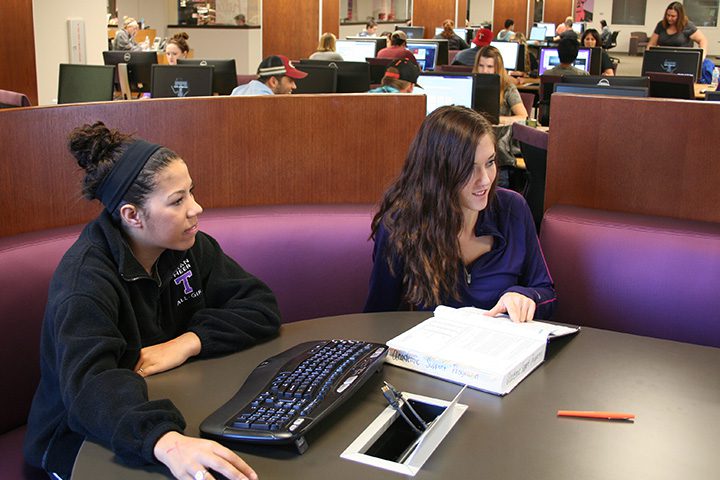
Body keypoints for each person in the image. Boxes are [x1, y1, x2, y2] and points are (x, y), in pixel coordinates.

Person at [23, 121, 282, 480]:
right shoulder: (84, 281)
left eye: (191, 192)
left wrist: (188, 343)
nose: (197, 209)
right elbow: (91, 385)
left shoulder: (189, 247)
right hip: (76, 442)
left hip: (157, 409)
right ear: (132, 215)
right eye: (178, 201)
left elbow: (260, 306)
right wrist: (167, 442)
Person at [363, 106, 556, 321]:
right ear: (438, 172)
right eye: (468, 168)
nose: (485, 180)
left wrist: (525, 296)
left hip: (501, 351)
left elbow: (545, 291)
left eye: (490, 162)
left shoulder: (512, 208)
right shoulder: (401, 224)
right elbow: (378, 315)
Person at [473, 46, 528, 125]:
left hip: (499, 134)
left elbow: (523, 117)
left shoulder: (508, 88)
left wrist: (495, 119)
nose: (484, 71)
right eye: (481, 66)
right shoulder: (470, 85)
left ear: (498, 68)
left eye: (490, 67)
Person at [231, 55, 308, 95]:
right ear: (273, 81)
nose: (294, 86)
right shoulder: (267, 103)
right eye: (290, 81)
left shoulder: (237, 91)